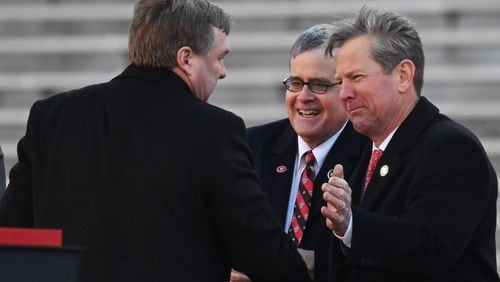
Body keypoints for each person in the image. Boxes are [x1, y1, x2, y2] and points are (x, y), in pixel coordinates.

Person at [0, 1, 311, 282]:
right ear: (186, 58)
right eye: (219, 58)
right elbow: (259, 247)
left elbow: (11, 230)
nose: (223, 71)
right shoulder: (215, 131)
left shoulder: (52, 116)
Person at [320, 6, 499, 282]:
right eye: (339, 81)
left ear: (403, 75)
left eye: (356, 78)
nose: (344, 94)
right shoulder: (362, 151)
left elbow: (430, 247)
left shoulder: (451, 148)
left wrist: (351, 225)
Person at [231, 24, 368, 282]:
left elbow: (372, 254)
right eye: (295, 83)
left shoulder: (370, 154)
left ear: (346, 90)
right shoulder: (250, 146)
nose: (303, 97)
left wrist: (283, 267)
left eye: (318, 85)